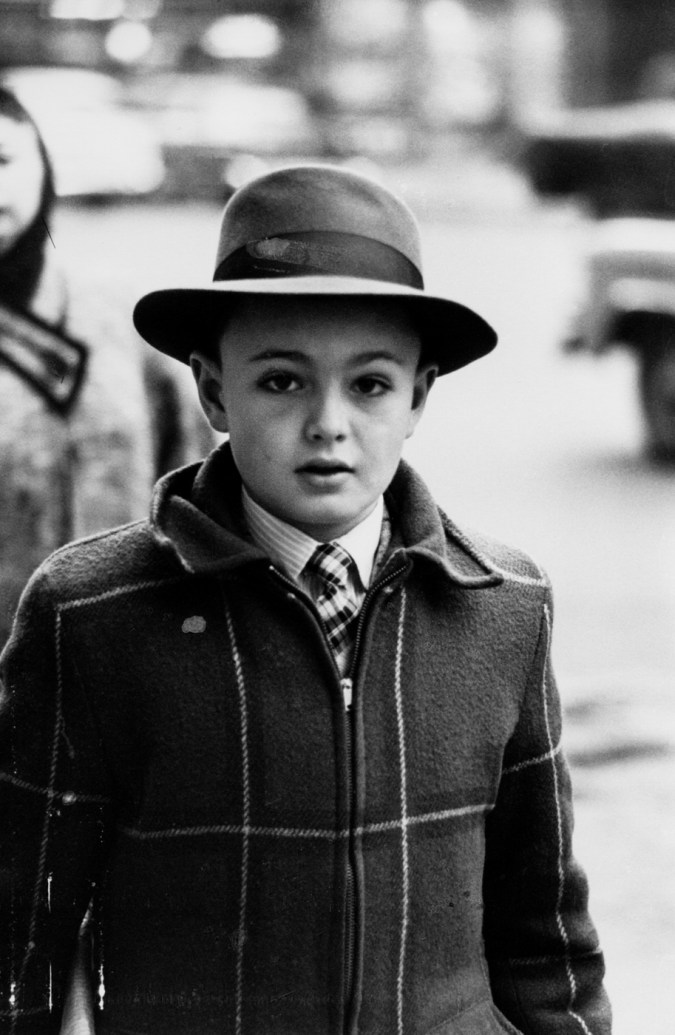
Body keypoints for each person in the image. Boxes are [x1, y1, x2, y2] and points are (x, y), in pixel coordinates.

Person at [0, 164, 611, 1035]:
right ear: (214, 390)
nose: (328, 422)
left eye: (369, 385)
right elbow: (22, 925)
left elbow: (544, 930)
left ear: (417, 396)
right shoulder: (90, 612)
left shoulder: (502, 605)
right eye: (281, 381)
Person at [0, 86, 213, 650]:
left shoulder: (120, 316)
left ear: (43, 168)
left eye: (3, 160)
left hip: (128, 657)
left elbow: (199, 489)